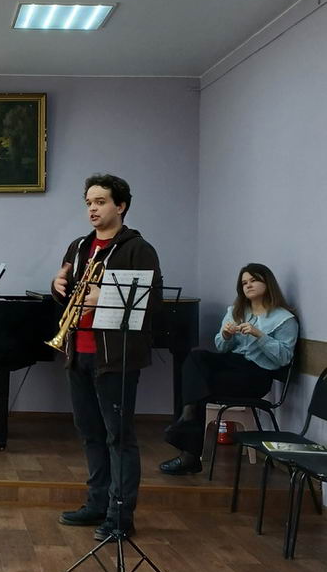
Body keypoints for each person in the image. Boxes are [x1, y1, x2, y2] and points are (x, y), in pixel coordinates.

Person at [52, 174, 162, 540]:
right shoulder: (79, 247)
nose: (92, 209)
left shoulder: (138, 249)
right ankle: (96, 503)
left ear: (121, 205)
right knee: (90, 434)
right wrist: (57, 286)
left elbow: (151, 303)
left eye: (100, 202)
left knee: (119, 437)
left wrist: (107, 297)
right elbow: (70, 297)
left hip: (115, 358)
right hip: (78, 352)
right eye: (89, 203)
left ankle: (120, 516)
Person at [160, 263, 297, 475]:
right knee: (196, 358)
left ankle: (188, 450)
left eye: (254, 280)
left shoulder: (284, 319)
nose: (248, 285)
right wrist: (225, 335)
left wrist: (259, 335)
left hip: (256, 375)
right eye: (244, 283)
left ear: (267, 283)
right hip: (233, 363)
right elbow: (221, 348)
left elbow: (283, 358)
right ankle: (188, 418)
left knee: (199, 389)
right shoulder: (236, 311)